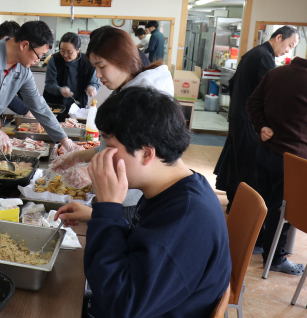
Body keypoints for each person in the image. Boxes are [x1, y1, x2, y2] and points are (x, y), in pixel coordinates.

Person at [55, 87, 231, 318]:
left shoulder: (187, 216)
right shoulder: (175, 186)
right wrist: (96, 216)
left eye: (109, 148)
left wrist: (108, 209)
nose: (100, 157)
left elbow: (119, 306)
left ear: (147, 154)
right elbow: (149, 241)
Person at [51, 25, 174, 213]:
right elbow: (113, 145)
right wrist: (76, 157)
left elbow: (127, 154)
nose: (98, 76)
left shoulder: (142, 95)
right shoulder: (131, 85)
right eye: (95, 68)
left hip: (132, 197)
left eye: (101, 67)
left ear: (123, 60)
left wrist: (89, 171)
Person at [0, 20, 80, 152]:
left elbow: (38, 105)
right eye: (39, 55)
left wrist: (65, 141)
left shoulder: (23, 69)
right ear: (24, 45)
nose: (38, 60)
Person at [214, 25, 299, 212]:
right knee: (246, 165)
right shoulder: (264, 58)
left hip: (239, 115)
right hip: (247, 118)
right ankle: (242, 209)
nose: (288, 50)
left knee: (237, 162)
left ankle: (234, 204)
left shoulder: (254, 53)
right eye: (289, 45)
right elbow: (268, 94)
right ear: (279, 38)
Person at [247, 56, 307, 275]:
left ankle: (257, 244)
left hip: (265, 151)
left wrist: (261, 125)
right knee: (282, 212)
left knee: (262, 203)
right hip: (294, 160)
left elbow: (252, 102)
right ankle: (276, 258)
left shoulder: (276, 72)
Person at [43, 32, 100, 108]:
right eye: (62, 51)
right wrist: (60, 90)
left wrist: (91, 88)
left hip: (78, 105)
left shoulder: (88, 62)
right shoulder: (54, 60)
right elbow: (49, 84)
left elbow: (95, 83)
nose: (65, 55)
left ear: (78, 50)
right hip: (55, 105)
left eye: (69, 52)